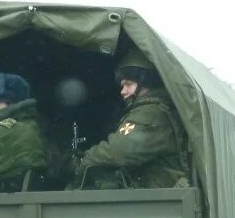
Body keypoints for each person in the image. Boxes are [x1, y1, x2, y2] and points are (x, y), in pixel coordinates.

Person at [71, 49, 189, 189]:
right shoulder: (154, 109)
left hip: (155, 200)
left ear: (146, 82)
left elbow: (119, 150)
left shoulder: (151, 114)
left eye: (128, 84)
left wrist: (84, 161)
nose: (123, 91)